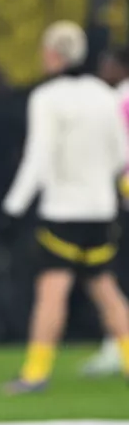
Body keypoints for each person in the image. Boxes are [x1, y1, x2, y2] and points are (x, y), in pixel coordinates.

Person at [0, 22, 129, 394]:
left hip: (63, 213)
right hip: (101, 210)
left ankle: (36, 373)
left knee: (51, 294)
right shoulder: (105, 95)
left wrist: (13, 209)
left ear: (53, 54)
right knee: (107, 291)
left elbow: (38, 158)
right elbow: (121, 155)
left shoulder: (47, 97)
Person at [83, 46, 129, 378]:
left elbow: (119, 154)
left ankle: (116, 345)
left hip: (120, 198)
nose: (103, 70)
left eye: (108, 63)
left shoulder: (118, 99)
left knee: (115, 274)